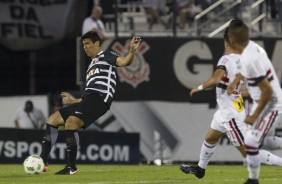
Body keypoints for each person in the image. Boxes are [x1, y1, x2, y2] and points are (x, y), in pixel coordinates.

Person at [179, 27, 282, 180]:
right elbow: (244, 87)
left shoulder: (226, 60)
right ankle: (200, 169)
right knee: (210, 138)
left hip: (231, 114)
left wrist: (198, 87)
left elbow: (215, 80)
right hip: (226, 110)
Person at [39, 31, 141, 175]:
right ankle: (42, 162)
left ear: (97, 44)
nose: (85, 47)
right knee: (52, 119)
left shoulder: (106, 56)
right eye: (83, 45)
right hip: (90, 99)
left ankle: (71, 168)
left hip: (100, 99)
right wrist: (73, 101)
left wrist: (132, 51)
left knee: (71, 122)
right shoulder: (91, 65)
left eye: (87, 44)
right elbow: (88, 95)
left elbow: (124, 62)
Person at [226, 19, 282, 184]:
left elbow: (267, 90)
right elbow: (246, 71)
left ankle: (253, 180)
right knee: (262, 141)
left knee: (250, 141)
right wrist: (236, 81)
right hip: (266, 100)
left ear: (232, 39)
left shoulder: (250, 58)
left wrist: (254, 114)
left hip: (271, 103)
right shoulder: (252, 49)